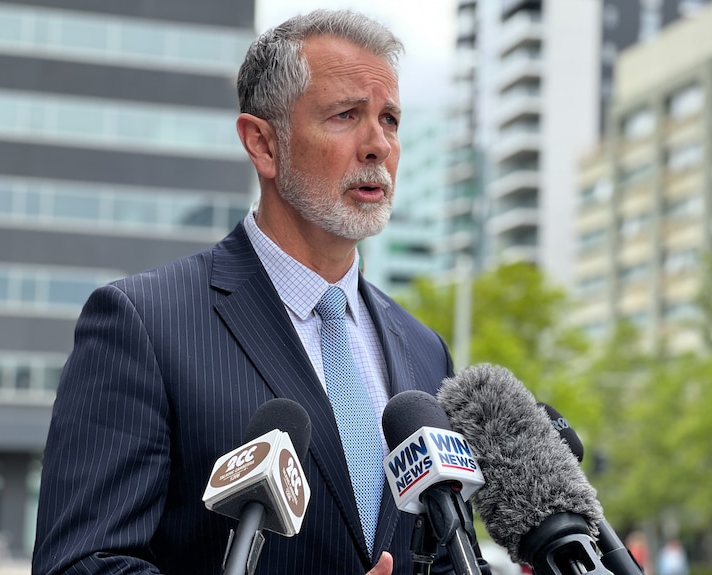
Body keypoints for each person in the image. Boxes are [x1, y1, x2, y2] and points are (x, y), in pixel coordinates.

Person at [32, 9, 488, 575]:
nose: (378, 145)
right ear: (264, 144)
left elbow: (443, 556)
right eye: (347, 115)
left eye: (390, 119)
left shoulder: (426, 351)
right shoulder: (141, 324)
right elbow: (81, 565)